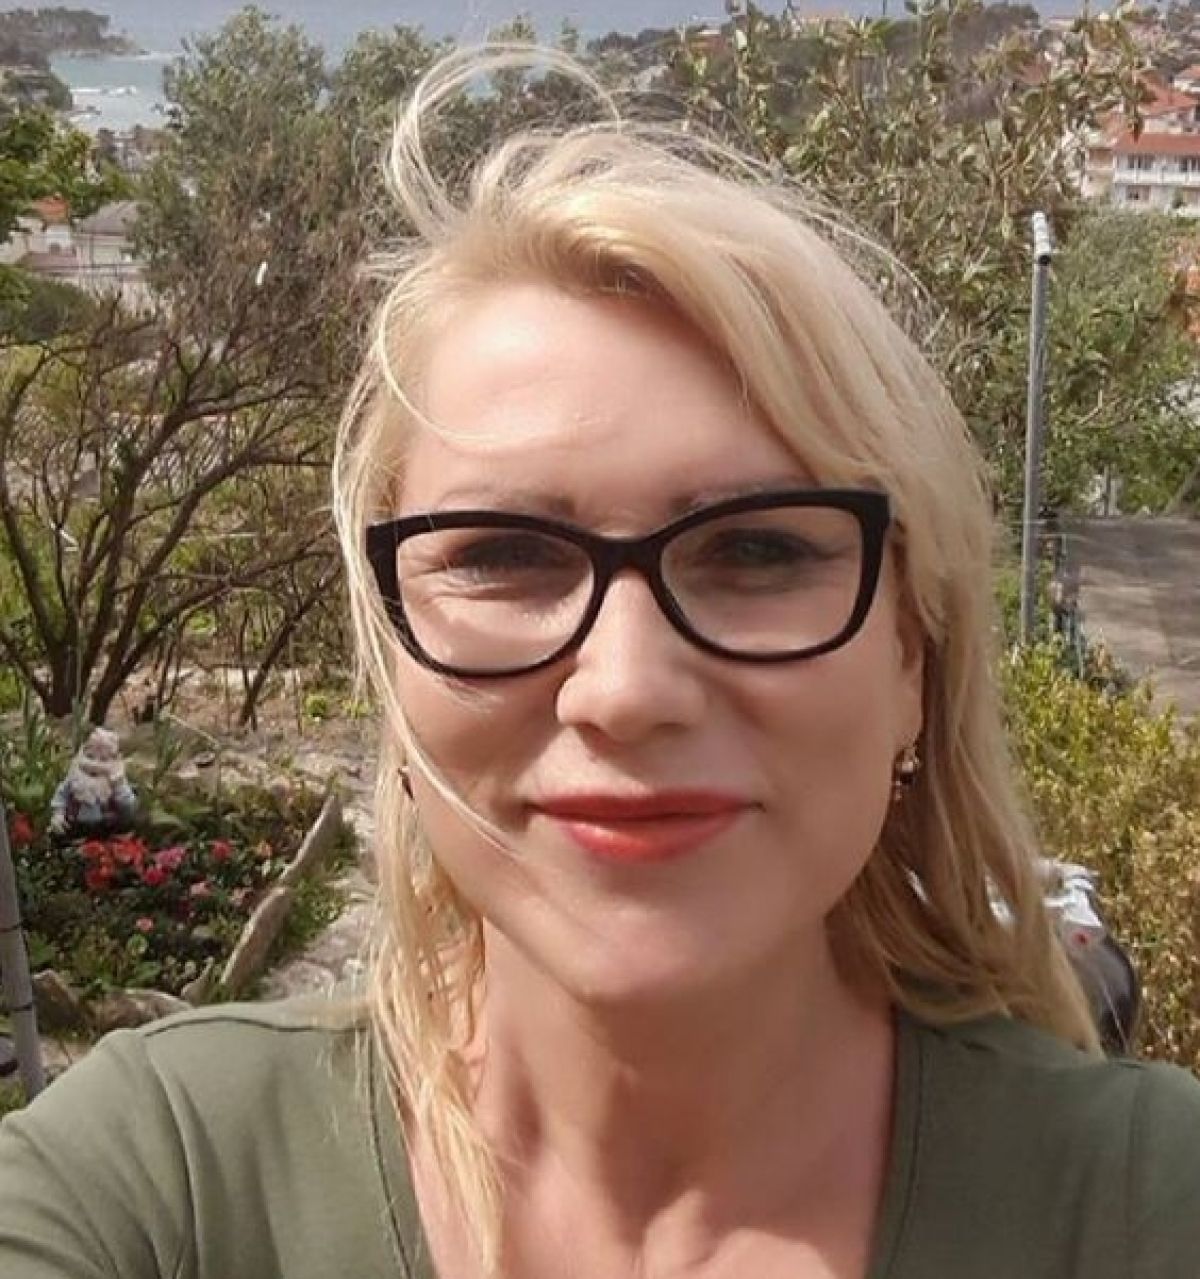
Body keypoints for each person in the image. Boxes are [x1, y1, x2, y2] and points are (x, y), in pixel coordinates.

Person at [2, 46, 1199, 1279]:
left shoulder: (1143, 1203)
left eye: (758, 549)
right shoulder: (163, 1183)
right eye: (505, 555)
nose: (625, 689)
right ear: (394, 662)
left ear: (912, 657)